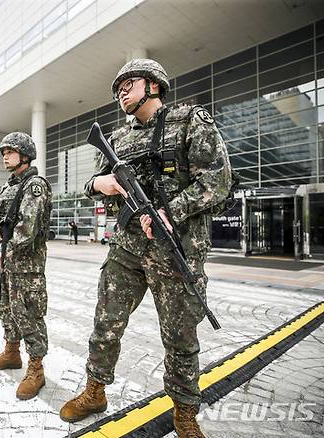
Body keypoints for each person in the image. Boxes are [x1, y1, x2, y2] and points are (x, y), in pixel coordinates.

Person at [58, 59, 233, 437]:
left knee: (180, 337)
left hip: (176, 250)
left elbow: (218, 181)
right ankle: (95, 391)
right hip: (126, 248)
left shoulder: (189, 121)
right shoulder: (116, 138)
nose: (120, 90)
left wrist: (172, 211)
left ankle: (185, 412)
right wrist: (98, 184)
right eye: (117, 87)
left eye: (128, 83)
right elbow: (91, 183)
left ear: (154, 85)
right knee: (105, 324)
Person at [0, 132, 52, 401]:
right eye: (3, 153)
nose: (5, 156)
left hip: (27, 267)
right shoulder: (6, 189)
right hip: (6, 262)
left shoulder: (35, 186)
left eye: (10, 152)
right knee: (6, 308)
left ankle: (36, 367)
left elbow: (27, 230)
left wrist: (5, 250)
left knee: (30, 315)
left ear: (25, 155)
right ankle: (12, 353)